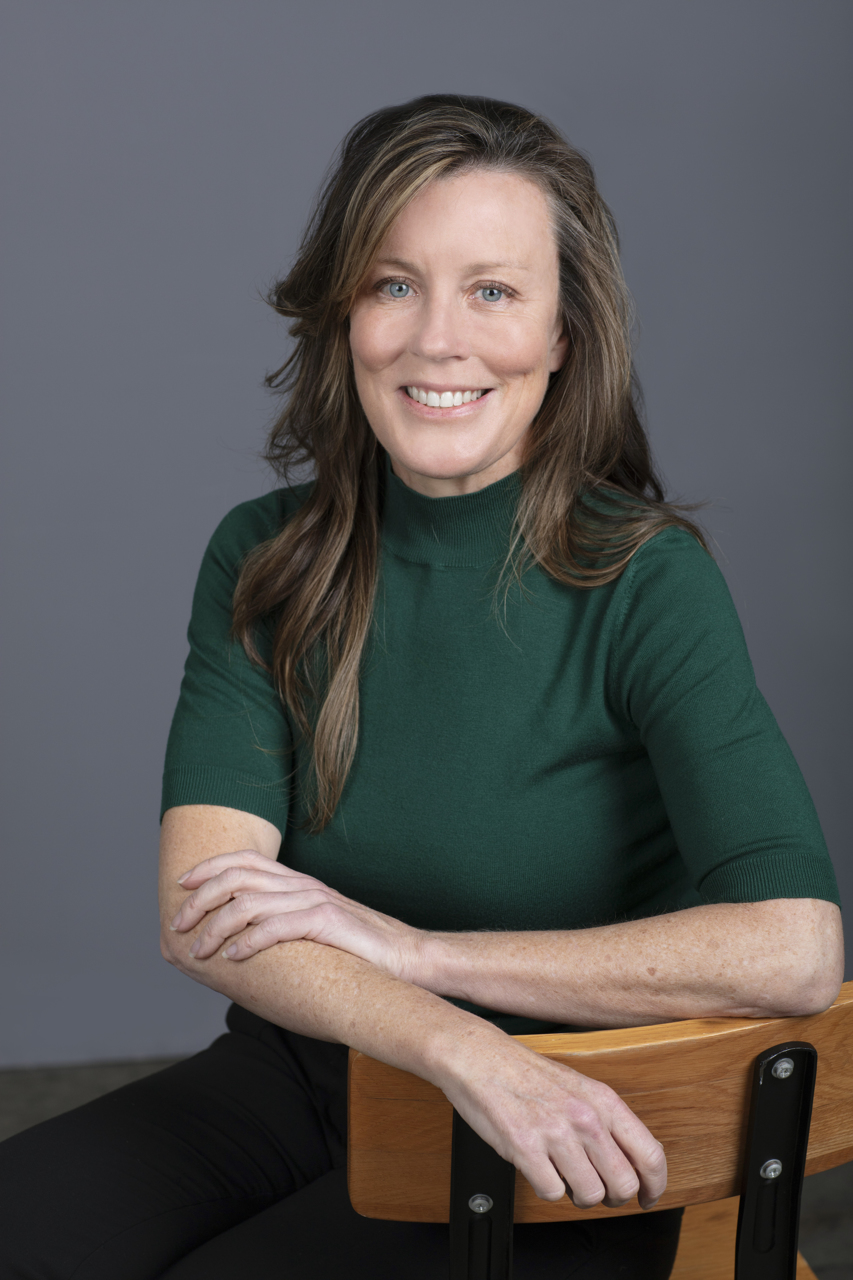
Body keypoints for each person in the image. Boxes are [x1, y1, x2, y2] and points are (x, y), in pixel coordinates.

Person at [0, 94, 842, 1280]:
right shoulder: (268, 554)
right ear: (344, 312)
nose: (436, 339)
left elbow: (795, 948)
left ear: (563, 335)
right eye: (395, 284)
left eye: (493, 291)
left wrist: (415, 952)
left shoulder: (645, 577)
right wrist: (449, 1039)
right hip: (307, 1074)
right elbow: (205, 917)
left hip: (570, 1123)